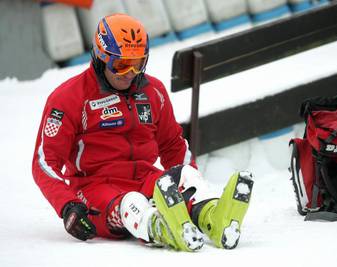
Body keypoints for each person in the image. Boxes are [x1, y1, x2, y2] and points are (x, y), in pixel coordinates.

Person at [32, 13, 254, 251]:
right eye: (121, 64)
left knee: (185, 177)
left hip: (146, 178)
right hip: (96, 189)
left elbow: (172, 145)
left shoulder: (153, 91)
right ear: (100, 58)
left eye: (138, 63)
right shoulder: (69, 98)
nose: (130, 72)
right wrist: (68, 205)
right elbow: (44, 162)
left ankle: (213, 218)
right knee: (133, 203)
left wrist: (189, 182)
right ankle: (162, 228)